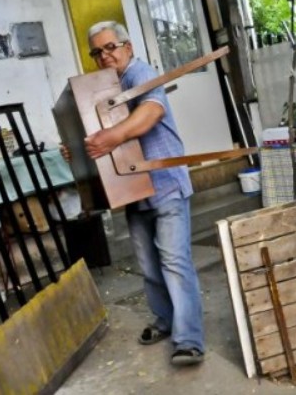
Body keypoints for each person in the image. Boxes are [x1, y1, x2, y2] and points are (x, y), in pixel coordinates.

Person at [81, 21, 204, 366]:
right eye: (96, 51)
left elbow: (151, 112)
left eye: (110, 47)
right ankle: (166, 321)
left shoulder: (139, 73)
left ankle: (189, 339)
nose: (104, 55)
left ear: (127, 47)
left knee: (175, 263)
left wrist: (112, 138)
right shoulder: (105, 91)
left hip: (164, 184)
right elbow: (97, 135)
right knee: (150, 266)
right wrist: (81, 147)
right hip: (134, 190)